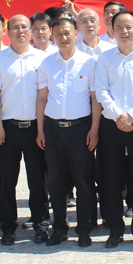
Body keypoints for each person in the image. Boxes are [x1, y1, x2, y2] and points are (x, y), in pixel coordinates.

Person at [0, 15, 51, 245]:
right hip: (8, 129)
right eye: (15, 27)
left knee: (38, 181)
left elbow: (44, 97)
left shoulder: (42, 58)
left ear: (31, 31)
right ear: (8, 31)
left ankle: (41, 224)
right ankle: (7, 228)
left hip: (35, 129)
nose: (20, 31)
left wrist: (41, 130)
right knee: (7, 182)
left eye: (24, 27)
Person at [95, 10, 133, 248]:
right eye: (119, 27)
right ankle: (115, 230)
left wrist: (131, 115)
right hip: (110, 126)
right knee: (111, 179)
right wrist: (119, 116)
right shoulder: (104, 58)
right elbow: (101, 91)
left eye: (129, 26)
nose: (124, 31)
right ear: (111, 30)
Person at [37, 16, 101, 247]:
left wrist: (94, 129)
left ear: (76, 34)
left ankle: (84, 229)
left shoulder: (89, 63)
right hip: (53, 130)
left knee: (84, 182)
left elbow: (95, 98)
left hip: (80, 130)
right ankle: (59, 228)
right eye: (58, 34)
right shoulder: (47, 63)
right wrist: (40, 131)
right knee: (55, 183)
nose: (63, 38)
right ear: (52, 36)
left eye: (67, 33)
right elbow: (42, 98)